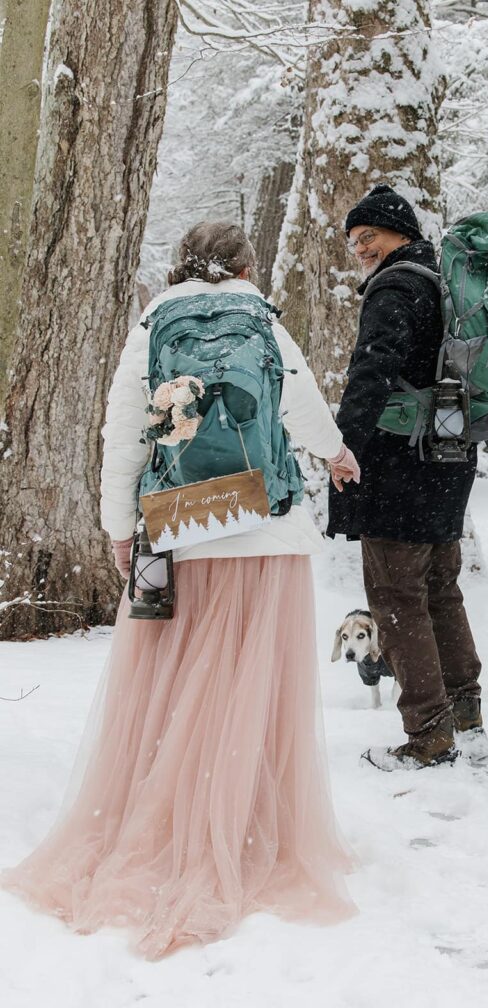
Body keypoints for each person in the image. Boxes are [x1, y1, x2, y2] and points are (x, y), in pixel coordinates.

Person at [2, 222, 360, 958]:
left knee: (175, 678)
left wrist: (116, 525)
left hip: (182, 524)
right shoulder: (261, 321)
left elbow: (123, 433)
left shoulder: (152, 327)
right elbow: (301, 404)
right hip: (263, 521)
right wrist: (337, 453)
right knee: (250, 683)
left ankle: (157, 821)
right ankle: (246, 828)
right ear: (243, 266)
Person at [327, 184, 483, 770]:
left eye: (370, 236)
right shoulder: (444, 282)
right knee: (440, 589)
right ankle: (466, 712)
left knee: (396, 598)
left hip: (399, 464)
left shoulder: (396, 286)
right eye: (354, 241)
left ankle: (428, 735)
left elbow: (371, 372)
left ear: (402, 234)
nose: (361, 248)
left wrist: (345, 449)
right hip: (449, 458)